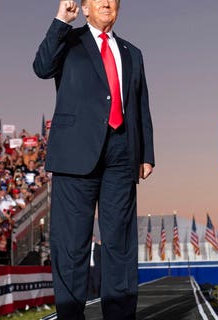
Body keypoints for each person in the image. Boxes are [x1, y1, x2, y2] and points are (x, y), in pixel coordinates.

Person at [33, 0, 155, 318]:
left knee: (119, 245)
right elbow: (42, 67)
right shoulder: (69, 40)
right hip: (75, 155)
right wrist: (61, 20)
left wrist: (146, 154)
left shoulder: (133, 53)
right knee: (72, 246)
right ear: (84, 8)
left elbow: (140, 106)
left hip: (121, 154)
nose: (106, 2)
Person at [88, 235, 101, 300]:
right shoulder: (86, 247)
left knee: (97, 283)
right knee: (89, 284)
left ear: (94, 238)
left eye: (92, 237)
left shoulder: (98, 247)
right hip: (89, 269)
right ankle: (90, 298)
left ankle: (97, 297)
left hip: (96, 268)